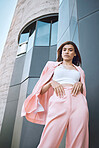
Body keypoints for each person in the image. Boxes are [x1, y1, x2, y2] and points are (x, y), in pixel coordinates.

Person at [21, 41, 89, 148]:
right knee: (49, 138)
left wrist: (80, 84)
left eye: (70, 50)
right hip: (59, 100)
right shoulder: (52, 66)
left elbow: (82, 88)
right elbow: (40, 90)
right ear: (61, 53)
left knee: (78, 139)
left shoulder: (79, 70)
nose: (67, 52)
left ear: (75, 54)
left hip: (78, 101)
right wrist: (51, 83)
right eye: (64, 50)